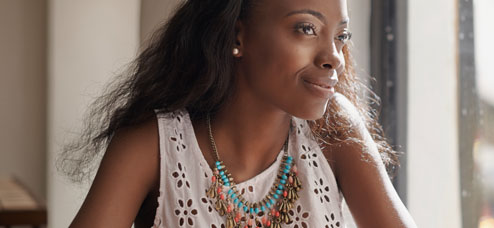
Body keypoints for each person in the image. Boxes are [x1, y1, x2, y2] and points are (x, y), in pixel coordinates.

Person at [63, 0, 417, 227]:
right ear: (238, 35)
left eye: (341, 35)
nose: (334, 57)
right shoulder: (150, 146)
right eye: (306, 29)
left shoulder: (334, 130)